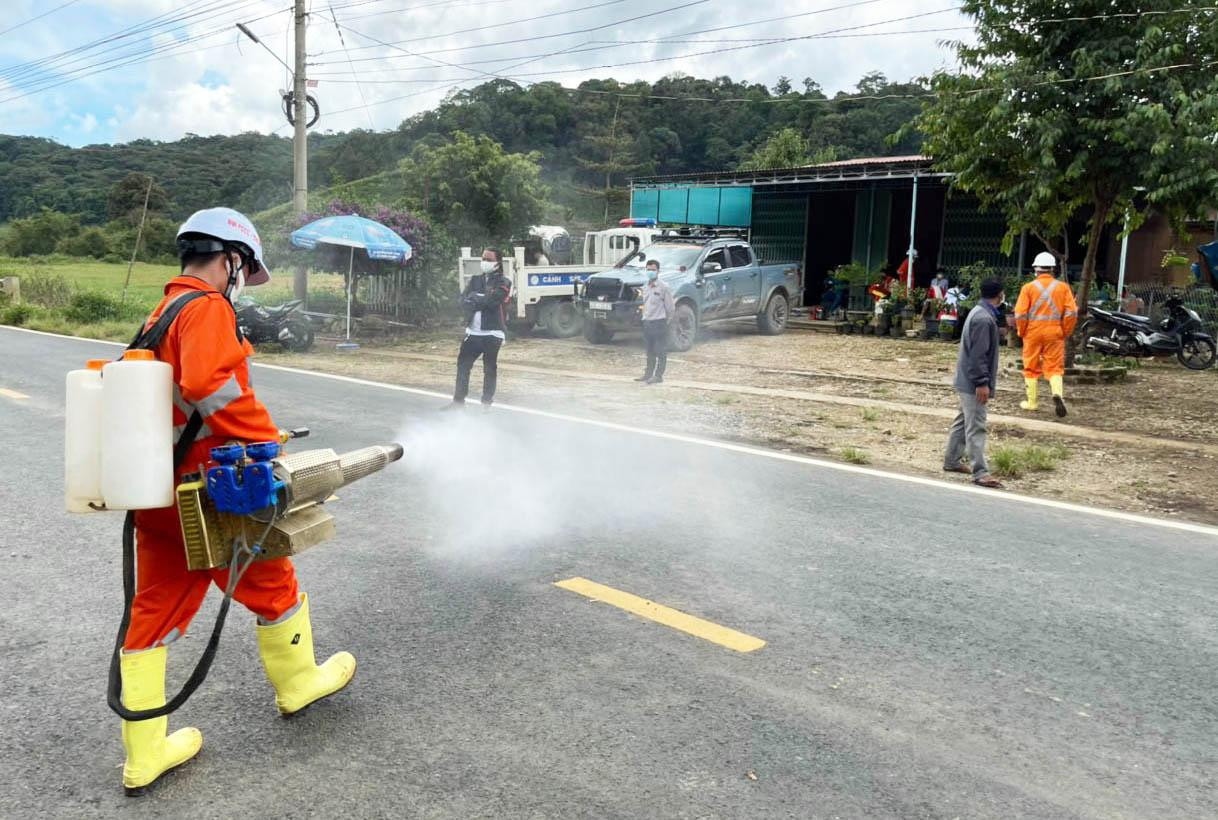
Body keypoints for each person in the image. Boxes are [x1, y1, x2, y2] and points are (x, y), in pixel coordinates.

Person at [119, 208, 355, 793]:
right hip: (208, 492)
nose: (241, 283)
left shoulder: (163, 310)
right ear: (229, 258)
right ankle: (298, 682)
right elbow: (211, 387)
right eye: (243, 271)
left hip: (156, 490)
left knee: (155, 607)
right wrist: (261, 438)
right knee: (269, 577)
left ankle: (144, 753)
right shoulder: (206, 307)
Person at [944, 277, 1006, 489]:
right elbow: (978, 356)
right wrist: (982, 382)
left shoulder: (979, 313)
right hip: (973, 382)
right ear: (999, 295)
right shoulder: (983, 319)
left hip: (966, 379)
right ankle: (980, 472)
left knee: (963, 421)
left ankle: (952, 460)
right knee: (976, 425)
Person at [1014, 251, 1078, 417]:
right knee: (1055, 367)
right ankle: (1057, 394)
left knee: (1031, 367)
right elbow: (1072, 312)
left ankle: (1032, 402)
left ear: (1036, 270)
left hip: (1033, 332)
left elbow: (1020, 314)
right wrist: (1065, 331)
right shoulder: (1063, 288)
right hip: (1055, 332)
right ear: (1053, 270)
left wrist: (1022, 331)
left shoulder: (1027, 288)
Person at [450, 248, 511, 408]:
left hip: (493, 333)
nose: (484, 262)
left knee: (489, 368)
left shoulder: (504, 282)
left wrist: (475, 298)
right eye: (483, 258)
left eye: (489, 260)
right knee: (463, 365)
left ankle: (486, 404)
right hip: (473, 331)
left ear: (497, 263)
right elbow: (462, 300)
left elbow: (493, 301)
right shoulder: (475, 280)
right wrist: (478, 298)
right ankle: (458, 402)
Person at [637, 259, 676, 384]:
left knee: (660, 350)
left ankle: (658, 376)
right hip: (647, 322)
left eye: (653, 270)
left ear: (658, 271)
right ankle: (648, 374)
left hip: (659, 322)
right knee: (649, 350)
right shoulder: (645, 286)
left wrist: (667, 321)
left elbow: (670, 308)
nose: (650, 272)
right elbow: (644, 304)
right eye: (648, 270)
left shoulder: (664, 287)